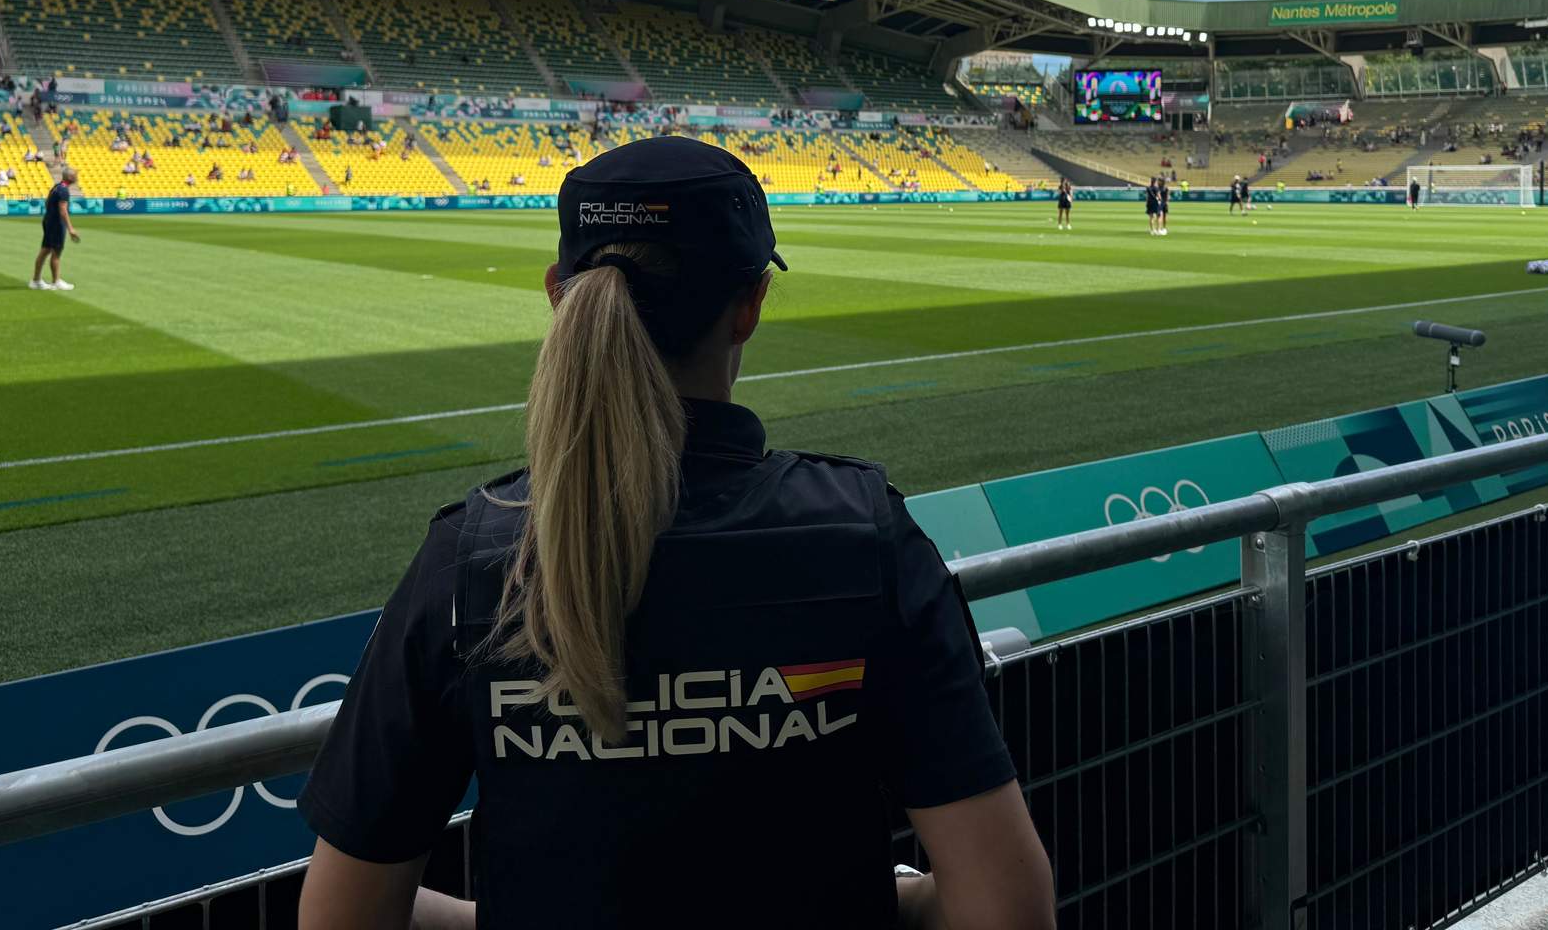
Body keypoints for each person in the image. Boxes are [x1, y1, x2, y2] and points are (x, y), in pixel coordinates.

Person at [296, 138, 1052, 930]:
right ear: (750, 305)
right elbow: (1008, 908)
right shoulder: (866, 536)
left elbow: (342, 915)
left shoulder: (471, 561)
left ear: (560, 295)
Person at [30, 167, 80, 290]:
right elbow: (63, 211)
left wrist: (50, 215)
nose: (77, 176)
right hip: (57, 223)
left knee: (45, 250)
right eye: (75, 174)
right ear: (70, 177)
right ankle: (56, 281)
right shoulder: (64, 190)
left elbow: (47, 202)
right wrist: (71, 229)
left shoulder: (56, 186)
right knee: (56, 252)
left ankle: (36, 280)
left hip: (49, 221)